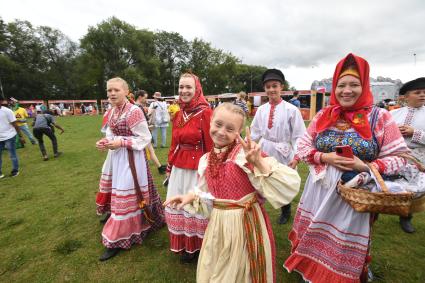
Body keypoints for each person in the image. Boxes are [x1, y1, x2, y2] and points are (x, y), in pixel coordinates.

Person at [284, 53, 410, 282]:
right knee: (315, 232)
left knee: (347, 239)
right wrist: (323, 157)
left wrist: (367, 166)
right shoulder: (324, 115)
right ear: (334, 87)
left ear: (364, 86)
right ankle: (313, 271)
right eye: (341, 85)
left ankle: (348, 272)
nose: (347, 91)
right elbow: (302, 145)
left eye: (354, 84)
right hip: (319, 188)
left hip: (353, 194)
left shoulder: (379, 117)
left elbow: (401, 157)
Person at [164, 103, 301, 282]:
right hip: (219, 223)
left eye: (230, 129)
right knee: (217, 266)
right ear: (210, 122)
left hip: (245, 223)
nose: (221, 132)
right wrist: (189, 196)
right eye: (218, 124)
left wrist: (258, 162)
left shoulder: (244, 155)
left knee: (241, 270)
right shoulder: (206, 159)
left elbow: (286, 185)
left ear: (239, 132)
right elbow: (206, 189)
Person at [95, 77, 165, 261]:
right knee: (119, 191)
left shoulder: (134, 111)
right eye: (109, 90)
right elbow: (110, 132)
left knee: (126, 192)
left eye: (116, 90)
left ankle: (117, 238)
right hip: (116, 157)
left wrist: (121, 142)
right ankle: (128, 222)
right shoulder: (111, 111)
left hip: (132, 158)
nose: (111, 93)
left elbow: (144, 138)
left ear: (126, 92)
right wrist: (106, 141)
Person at [165, 73, 213, 263]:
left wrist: (211, 171)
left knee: (197, 206)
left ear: (197, 89)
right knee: (180, 205)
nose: (184, 91)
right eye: (181, 87)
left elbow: (211, 145)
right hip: (179, 167)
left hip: (197, 168)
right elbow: (174, 142)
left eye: (188, 87)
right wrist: (169, 165)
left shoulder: (206, 112)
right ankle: (187, 245)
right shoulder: (178, 113)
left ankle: (200, 247)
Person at [250, 69, 306, 225]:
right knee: (260, 178)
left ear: (281, 87)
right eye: (268, 86)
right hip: (265, 149)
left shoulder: (291, 110)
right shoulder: (261, 110)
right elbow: (254, 132)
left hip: (283, 150)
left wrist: (296, 157)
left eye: (274, 86)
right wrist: (249, 146)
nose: (271, 90)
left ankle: (285, 209)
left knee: (281, 181)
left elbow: (299, 136)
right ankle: (257, 209)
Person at [390, 77, 425, 233]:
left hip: (418, 159)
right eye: (417, 92)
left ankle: (406, 217)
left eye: (424, 92)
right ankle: (373, 212)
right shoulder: (393, 113)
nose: (422, 95)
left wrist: (415, 133)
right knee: (385, 186)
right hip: (394, 158)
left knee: (412, 191)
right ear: (406, 96)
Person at [134, 90, 167, 174]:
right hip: (141, 134)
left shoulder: (136, 106)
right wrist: (150, 118)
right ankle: (159, 168)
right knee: (148, 151)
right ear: (140, 97)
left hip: (141, 133)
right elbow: (143, 121)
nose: (146, 99)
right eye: (145, 98)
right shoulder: (137, 107)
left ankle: (160, 167)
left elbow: (143, 119)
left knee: (151, 150)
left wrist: (150, 113)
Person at [0, 103, 25, 178]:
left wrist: (21, 136)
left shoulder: (7, 111)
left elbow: (15, 124)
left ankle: (15, 170)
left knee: (12, 154)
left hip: (9, 136)